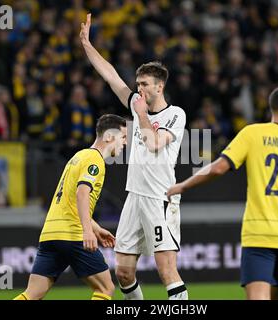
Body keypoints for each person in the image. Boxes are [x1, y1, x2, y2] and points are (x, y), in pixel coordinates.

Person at [167, 86, 278, 300]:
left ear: (273, 108)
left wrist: (182, 186)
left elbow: (217, 168)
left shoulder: (252, 133)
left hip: (258, 233)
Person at [80, 14, 188, 300]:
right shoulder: (137, 106)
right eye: (137, 84)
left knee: (167, 270)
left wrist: (140, 115)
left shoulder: (174, 115)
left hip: (159, 198)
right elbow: (111, 75)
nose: (138, 89)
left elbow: (154, 143)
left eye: (144, 85)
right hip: (134, 197)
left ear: (159, 87)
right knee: (124, 272)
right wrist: (86, 44)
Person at [14, 114, 127, 300]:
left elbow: (70, 202)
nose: (124, 143)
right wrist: (87, 231)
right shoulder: (95, 160)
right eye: (123, 137)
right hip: (72, 234)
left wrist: (96, 229)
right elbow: (82, 194)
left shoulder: (78, 156)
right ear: (108, 137)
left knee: (32, 294)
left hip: (50, 233)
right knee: (105, 288)